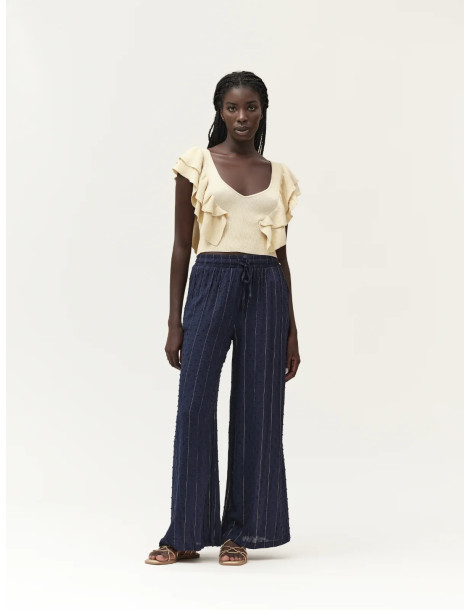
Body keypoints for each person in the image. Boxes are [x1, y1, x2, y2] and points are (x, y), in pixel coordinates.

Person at [145, 71, 301, 567]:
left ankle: (241, 532)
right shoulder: (197, 164)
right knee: (194, 406)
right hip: (211, 280)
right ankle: (185, 533)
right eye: (232, 107)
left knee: (259, 412)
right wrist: (174, 322)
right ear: (219, 110)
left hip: (266, 288)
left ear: (263, 111)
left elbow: (281, 256)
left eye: (251, 107)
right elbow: (179, 247)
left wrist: (292, 329)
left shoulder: (278, 174)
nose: (241, 116)